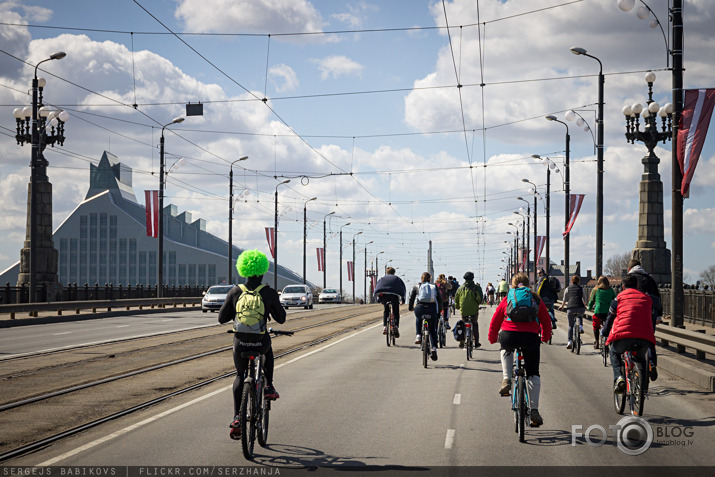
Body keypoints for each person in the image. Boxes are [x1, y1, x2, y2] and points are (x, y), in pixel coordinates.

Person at [218, 249, 286, 440]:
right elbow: (281, 319)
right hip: (260, 342)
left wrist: (236, 312)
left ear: (244, 270)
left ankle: (238, 417)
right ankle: (269, 386)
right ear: (263, 271)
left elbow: (221, 318)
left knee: (240, 375)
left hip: (240, 343)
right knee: (268, 350)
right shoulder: (268, 293)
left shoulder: (235, 291)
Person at [488, 272, 552, 427]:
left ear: (513, 285)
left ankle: (506, 379)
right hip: (530, 337)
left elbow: (496, 319)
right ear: (528, 285)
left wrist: (492, 338)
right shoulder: (535, 298)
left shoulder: (508, 297)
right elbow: (546, 320)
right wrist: (544, 337)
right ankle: (534, 410)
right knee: (533, 373)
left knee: (506, 348)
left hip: (509, 334)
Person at [601, 274, 656, 393]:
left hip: (623, 336)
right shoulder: (646, 298)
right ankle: (643, 387)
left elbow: (610, 317)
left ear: (623, 287)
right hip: (644, 336)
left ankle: (619, 378)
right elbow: (651, 316)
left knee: (614, 352)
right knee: (641, 358)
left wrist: (605, 332)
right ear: (637, 285)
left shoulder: (618, 298)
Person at [627, 259, 662, 381]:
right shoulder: (650, 279)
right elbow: (658, 296)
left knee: (631, 333)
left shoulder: (630, 278)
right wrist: (659, 316)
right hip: (652, 309)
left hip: (635, 308)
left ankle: (631, 361)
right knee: (649, 336)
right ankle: (652, 363)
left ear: (629, 268)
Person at [408, 272, 441, 361]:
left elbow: (412, 298)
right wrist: (439, 312)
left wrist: (410, 308)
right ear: (430, 279)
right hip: (432, 309)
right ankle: (434, 348)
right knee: (432, 329)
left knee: (419, 318)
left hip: (420, 308)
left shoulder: (417, 286)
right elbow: (439, 300)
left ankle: (418, 335)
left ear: (421, 279)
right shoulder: (434, 287)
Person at [373, 266, 406, 338]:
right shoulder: (397, 279)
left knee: (386, 310)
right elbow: (403, 289)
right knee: (396, 311)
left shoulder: (382, 279)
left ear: (386, 272)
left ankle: (385, 326)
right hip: (394, 296)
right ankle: (396, 326)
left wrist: (379, 300)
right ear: (394, 272)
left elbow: (378, 288)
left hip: (385, 297)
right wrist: (403, 300)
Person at [587, 276, 617, 349]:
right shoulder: (611, 290)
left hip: (598, 312)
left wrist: (589, 308)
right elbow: (615, 299)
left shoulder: (595, 290)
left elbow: (591, 301)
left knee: (596, 326)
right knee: (610, 326)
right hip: (608, 313)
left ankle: (597, 342)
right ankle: (609, 341)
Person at [455, 271, 483, 348]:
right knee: (474, 324)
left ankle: (462, 341)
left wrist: (457, 307)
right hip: (474, 311)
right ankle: (476, 342)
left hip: (464, 311)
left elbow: (456, 300)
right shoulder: (476, 288)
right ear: (473, 278)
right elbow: (480, 299)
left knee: (463, 324)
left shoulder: (460, 288)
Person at [559, 275, 586, 350]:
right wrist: (585, 305)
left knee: (571, 325)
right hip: (580, 307)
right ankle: (580, 326)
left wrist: (562, 306)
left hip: (571, 308)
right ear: (578, 281)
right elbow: (584, 298)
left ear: (571, 281)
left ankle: (569, 342)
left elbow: (564, 299)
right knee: (580, 315)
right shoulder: (581, 288)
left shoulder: (567, 288)